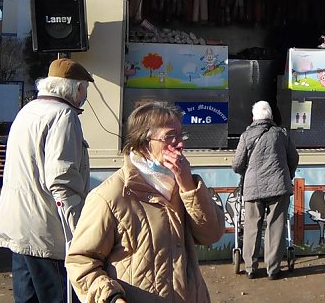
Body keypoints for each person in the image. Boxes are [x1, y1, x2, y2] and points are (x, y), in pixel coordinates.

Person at [65, 102, 225, 303]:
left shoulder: (182, 184)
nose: (180, 144)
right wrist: (111, 298)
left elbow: (212, 234)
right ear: (142, 144)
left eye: (180, 135)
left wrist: (188, 187)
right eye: (169, 137)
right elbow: (81, 261)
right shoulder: (110, 196)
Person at [0, 58, 94, 303]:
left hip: (18, 226)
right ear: (76, 88)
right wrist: (78, 231)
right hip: (47, 232)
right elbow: (61, 180)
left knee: (27, 298)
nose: (84, 97)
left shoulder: (28, 110)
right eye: (85, 90)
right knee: (58, 296)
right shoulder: (64, 116)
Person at [232, 100, 299, 280]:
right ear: (270, 116)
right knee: (276, 227)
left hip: (253, 188)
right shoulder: (282, 134)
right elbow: (294, 158)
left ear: (254, 117)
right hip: (279, 187)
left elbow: (237, 164)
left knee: (252, 226)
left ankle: (250, 268)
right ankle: (273, 269)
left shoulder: (246, 136)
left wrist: (246, 173)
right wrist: (288, 175)